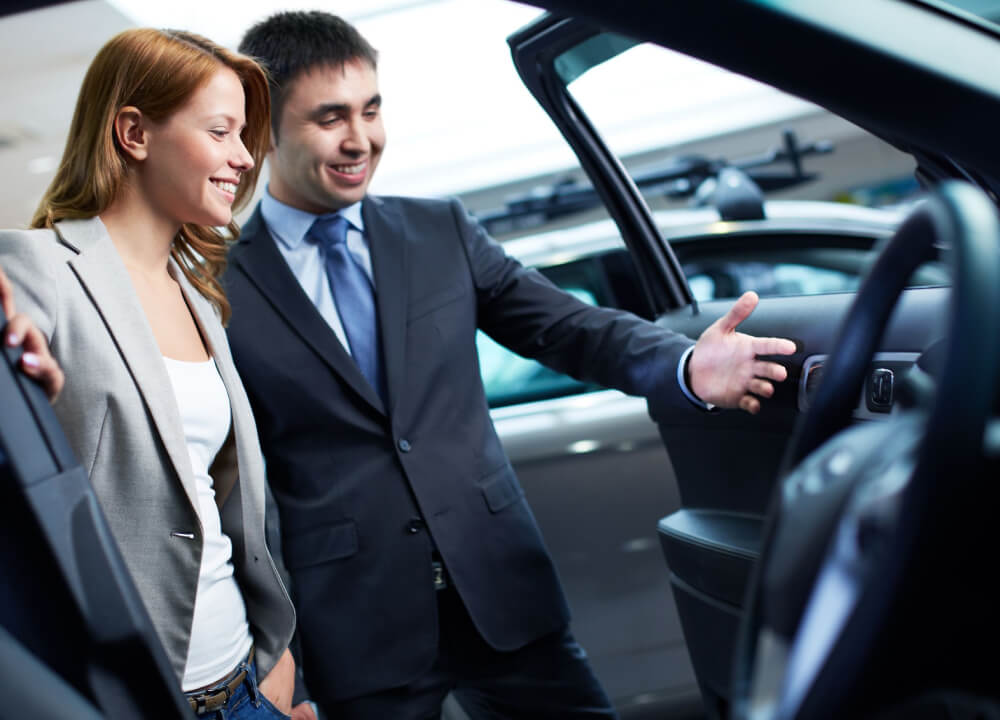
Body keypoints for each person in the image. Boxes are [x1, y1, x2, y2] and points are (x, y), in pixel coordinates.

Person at [226, 11, 796, 719]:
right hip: (354, 624)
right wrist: (275, 657)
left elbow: (569, 328)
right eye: (329, 117)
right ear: (262, 127)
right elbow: (227, 491)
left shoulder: (439, 231)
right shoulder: (214, 285)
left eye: (371, 110)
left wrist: (682, 365)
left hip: (499, 588)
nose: (360, 139)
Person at [0, 29, 298, 719]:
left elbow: (224, 507)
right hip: (137, 691)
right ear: (134, 132)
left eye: (244, 135)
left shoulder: (198, 297)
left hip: (246, 683)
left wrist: (279, 657)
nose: (243, 157)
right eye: (221, 131)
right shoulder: (32, 269)